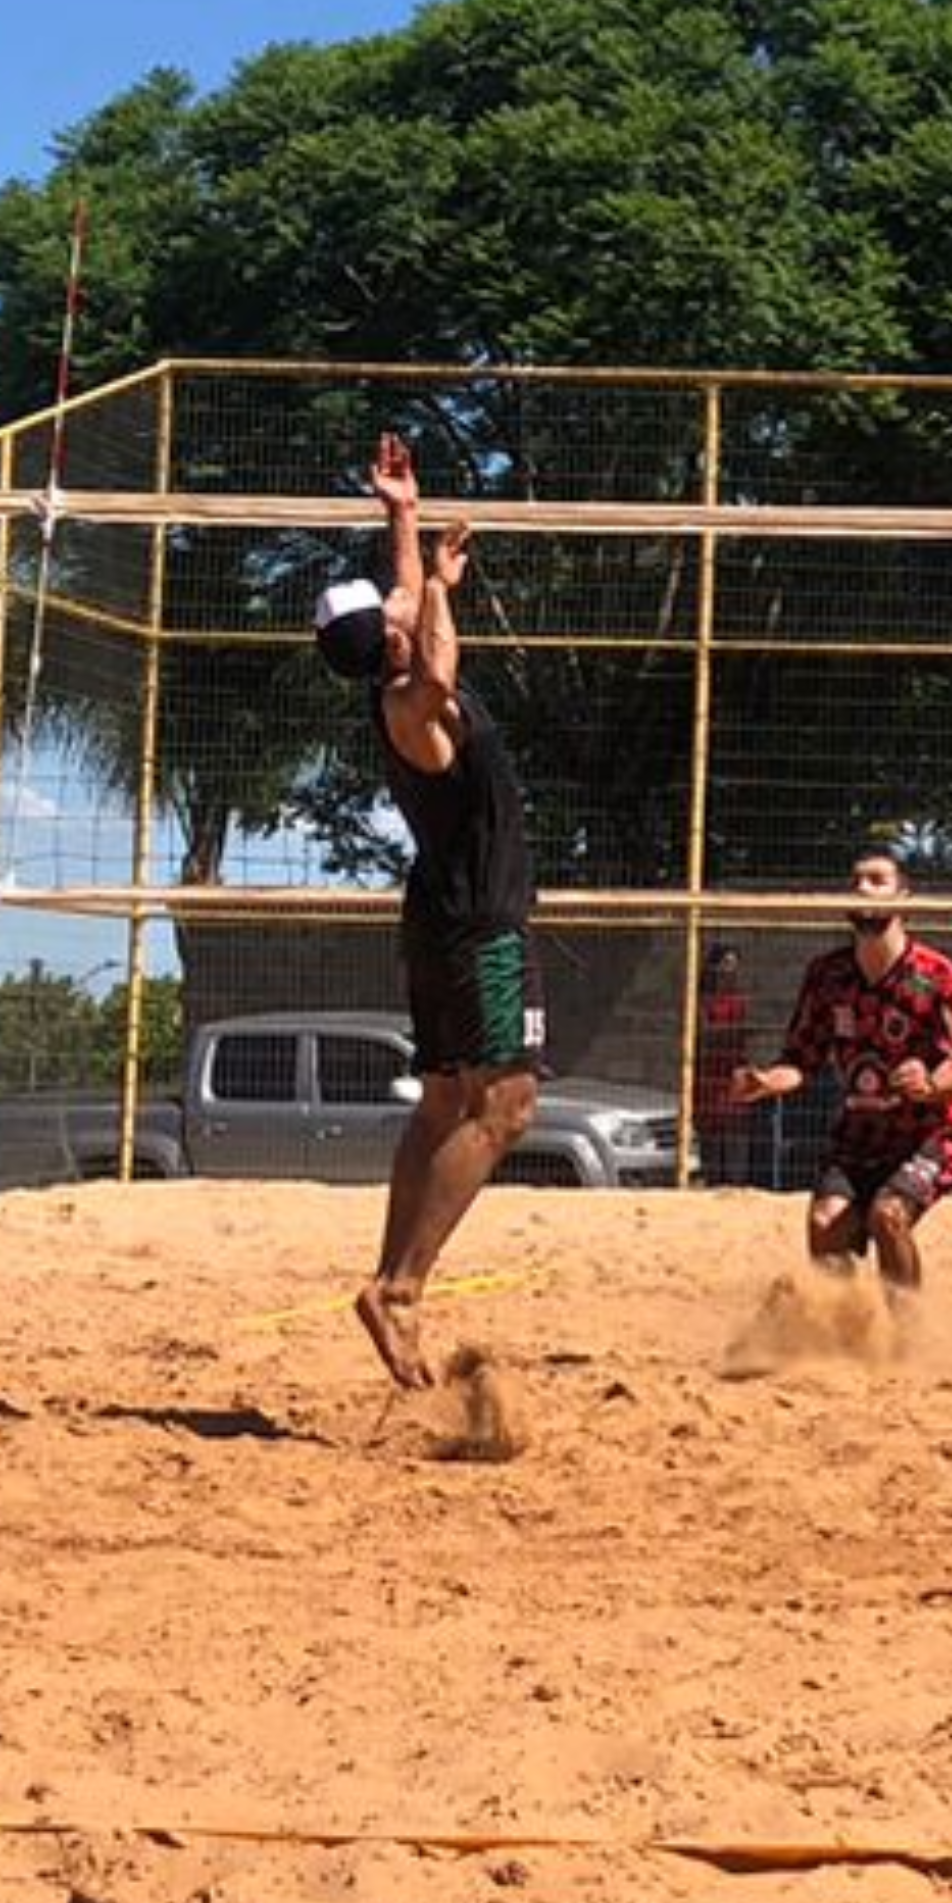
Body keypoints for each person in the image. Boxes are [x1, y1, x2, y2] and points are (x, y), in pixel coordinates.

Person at [326, 431, 544, 1392]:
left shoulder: (394, 668)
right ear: (392, 642)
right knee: (507, 1109)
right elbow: (441, 663)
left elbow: (409, 603)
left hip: (442, 918)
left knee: (448, 1101)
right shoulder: (414, 702)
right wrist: (447, 586)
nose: (404, 601)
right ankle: (403, 1285)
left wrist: (404, 515)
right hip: (476, 923)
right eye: (396, 611)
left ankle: (390, 1282)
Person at [726, 846, 952, 1293]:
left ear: (903, 897)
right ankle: (842, 1328)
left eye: (877, 880)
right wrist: (766, 1082)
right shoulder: (827, 976)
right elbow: (800, 1060)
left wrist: (929, 1084)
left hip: (931, 1135)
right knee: (825, 1225)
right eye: (855, 880)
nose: (863, 888)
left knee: (888, 1215)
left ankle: (907, 1336)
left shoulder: (937, 977)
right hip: (858, 1135)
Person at [694, 943, 758, 1183]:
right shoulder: (704, 1001)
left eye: (734, 966)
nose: (731, 972)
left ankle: (736, 1181)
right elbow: (704, 1034)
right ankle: (712, 1179)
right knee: (711, 1134)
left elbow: (741, 1036)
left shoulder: (738, 1001)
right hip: (711, 1074)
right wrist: (728, 1033)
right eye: (726, 965)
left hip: (732, 1074)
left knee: (736, 1132)